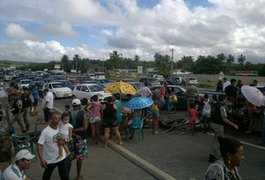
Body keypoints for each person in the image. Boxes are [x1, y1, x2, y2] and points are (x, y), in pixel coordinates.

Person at [37, 112, 69, 180]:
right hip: (51, 160)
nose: (58, 120)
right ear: (51, 120)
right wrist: (41, 159)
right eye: (56, 118)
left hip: (61, 157)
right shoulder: (45, 131)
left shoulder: (60, 127)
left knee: (64, 176)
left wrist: (64, 141)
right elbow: (39, 145)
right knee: (46, 176)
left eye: (59, 118)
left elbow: (66, 138)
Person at [209, 95, 239, 163]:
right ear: (223, 100)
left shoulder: (214, 105)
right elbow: (225, 119)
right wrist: (234, 125)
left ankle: (212, 155)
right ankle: (217, 157)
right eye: (226, 100)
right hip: (218, 125)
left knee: (215, 140)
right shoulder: (222, 107)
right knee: (219, 141)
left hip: (213, 123)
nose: (226, 101)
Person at [68, 99, 88, 180]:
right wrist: (75, 131)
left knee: (69, 157)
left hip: (70, 137)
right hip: (81, 138)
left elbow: (65, 127)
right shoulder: (83, 113)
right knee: (79, 158)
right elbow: (85, 127)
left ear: (72, 105)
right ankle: (78, 176)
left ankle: (66, 175)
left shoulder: (68, 113)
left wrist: (72, 131)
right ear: (79, 105)